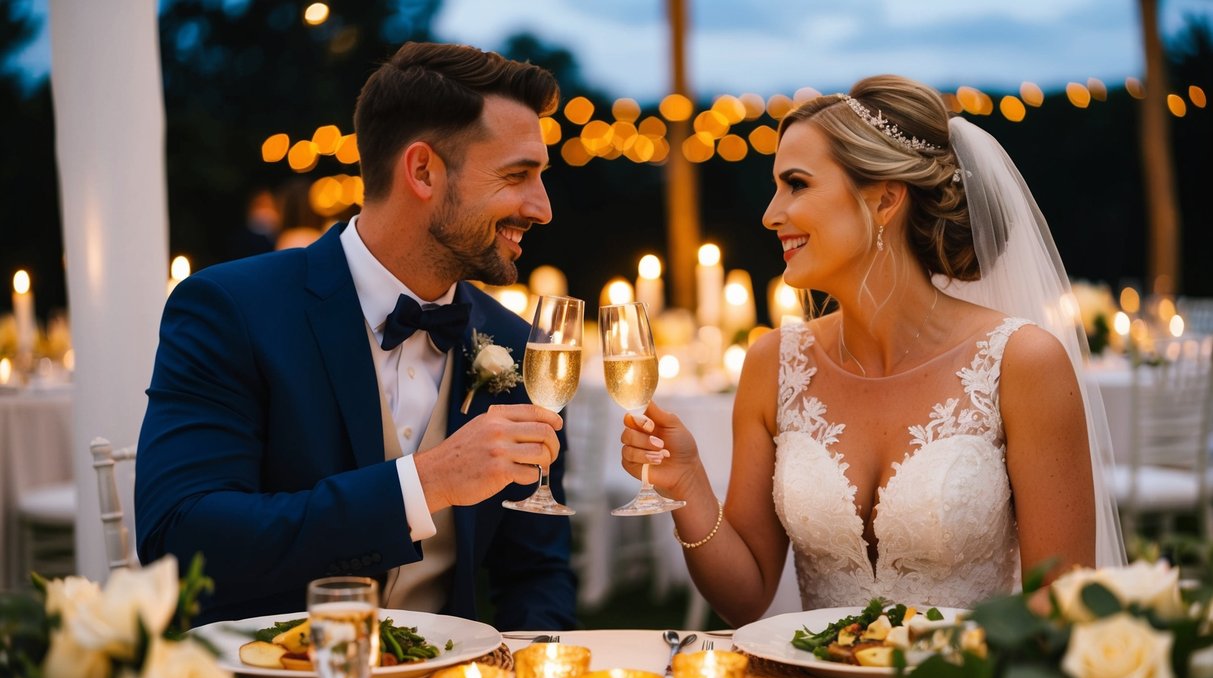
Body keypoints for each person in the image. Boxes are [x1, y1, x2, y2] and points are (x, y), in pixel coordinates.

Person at [619, 75, 1125, 626]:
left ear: (884, 199)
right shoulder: (774, 364)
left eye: (796, 184)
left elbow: (1061, 604)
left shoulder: (1021, 363)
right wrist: (688, 485)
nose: (770, 213)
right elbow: (746, 597)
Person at [136, 42, 577, 629]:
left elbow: (536, 575)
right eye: (517, 175)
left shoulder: (522, 348)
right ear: (422, 171)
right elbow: (180, 536)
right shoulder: (231, 309)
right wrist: (427, 483)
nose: (542, 207)